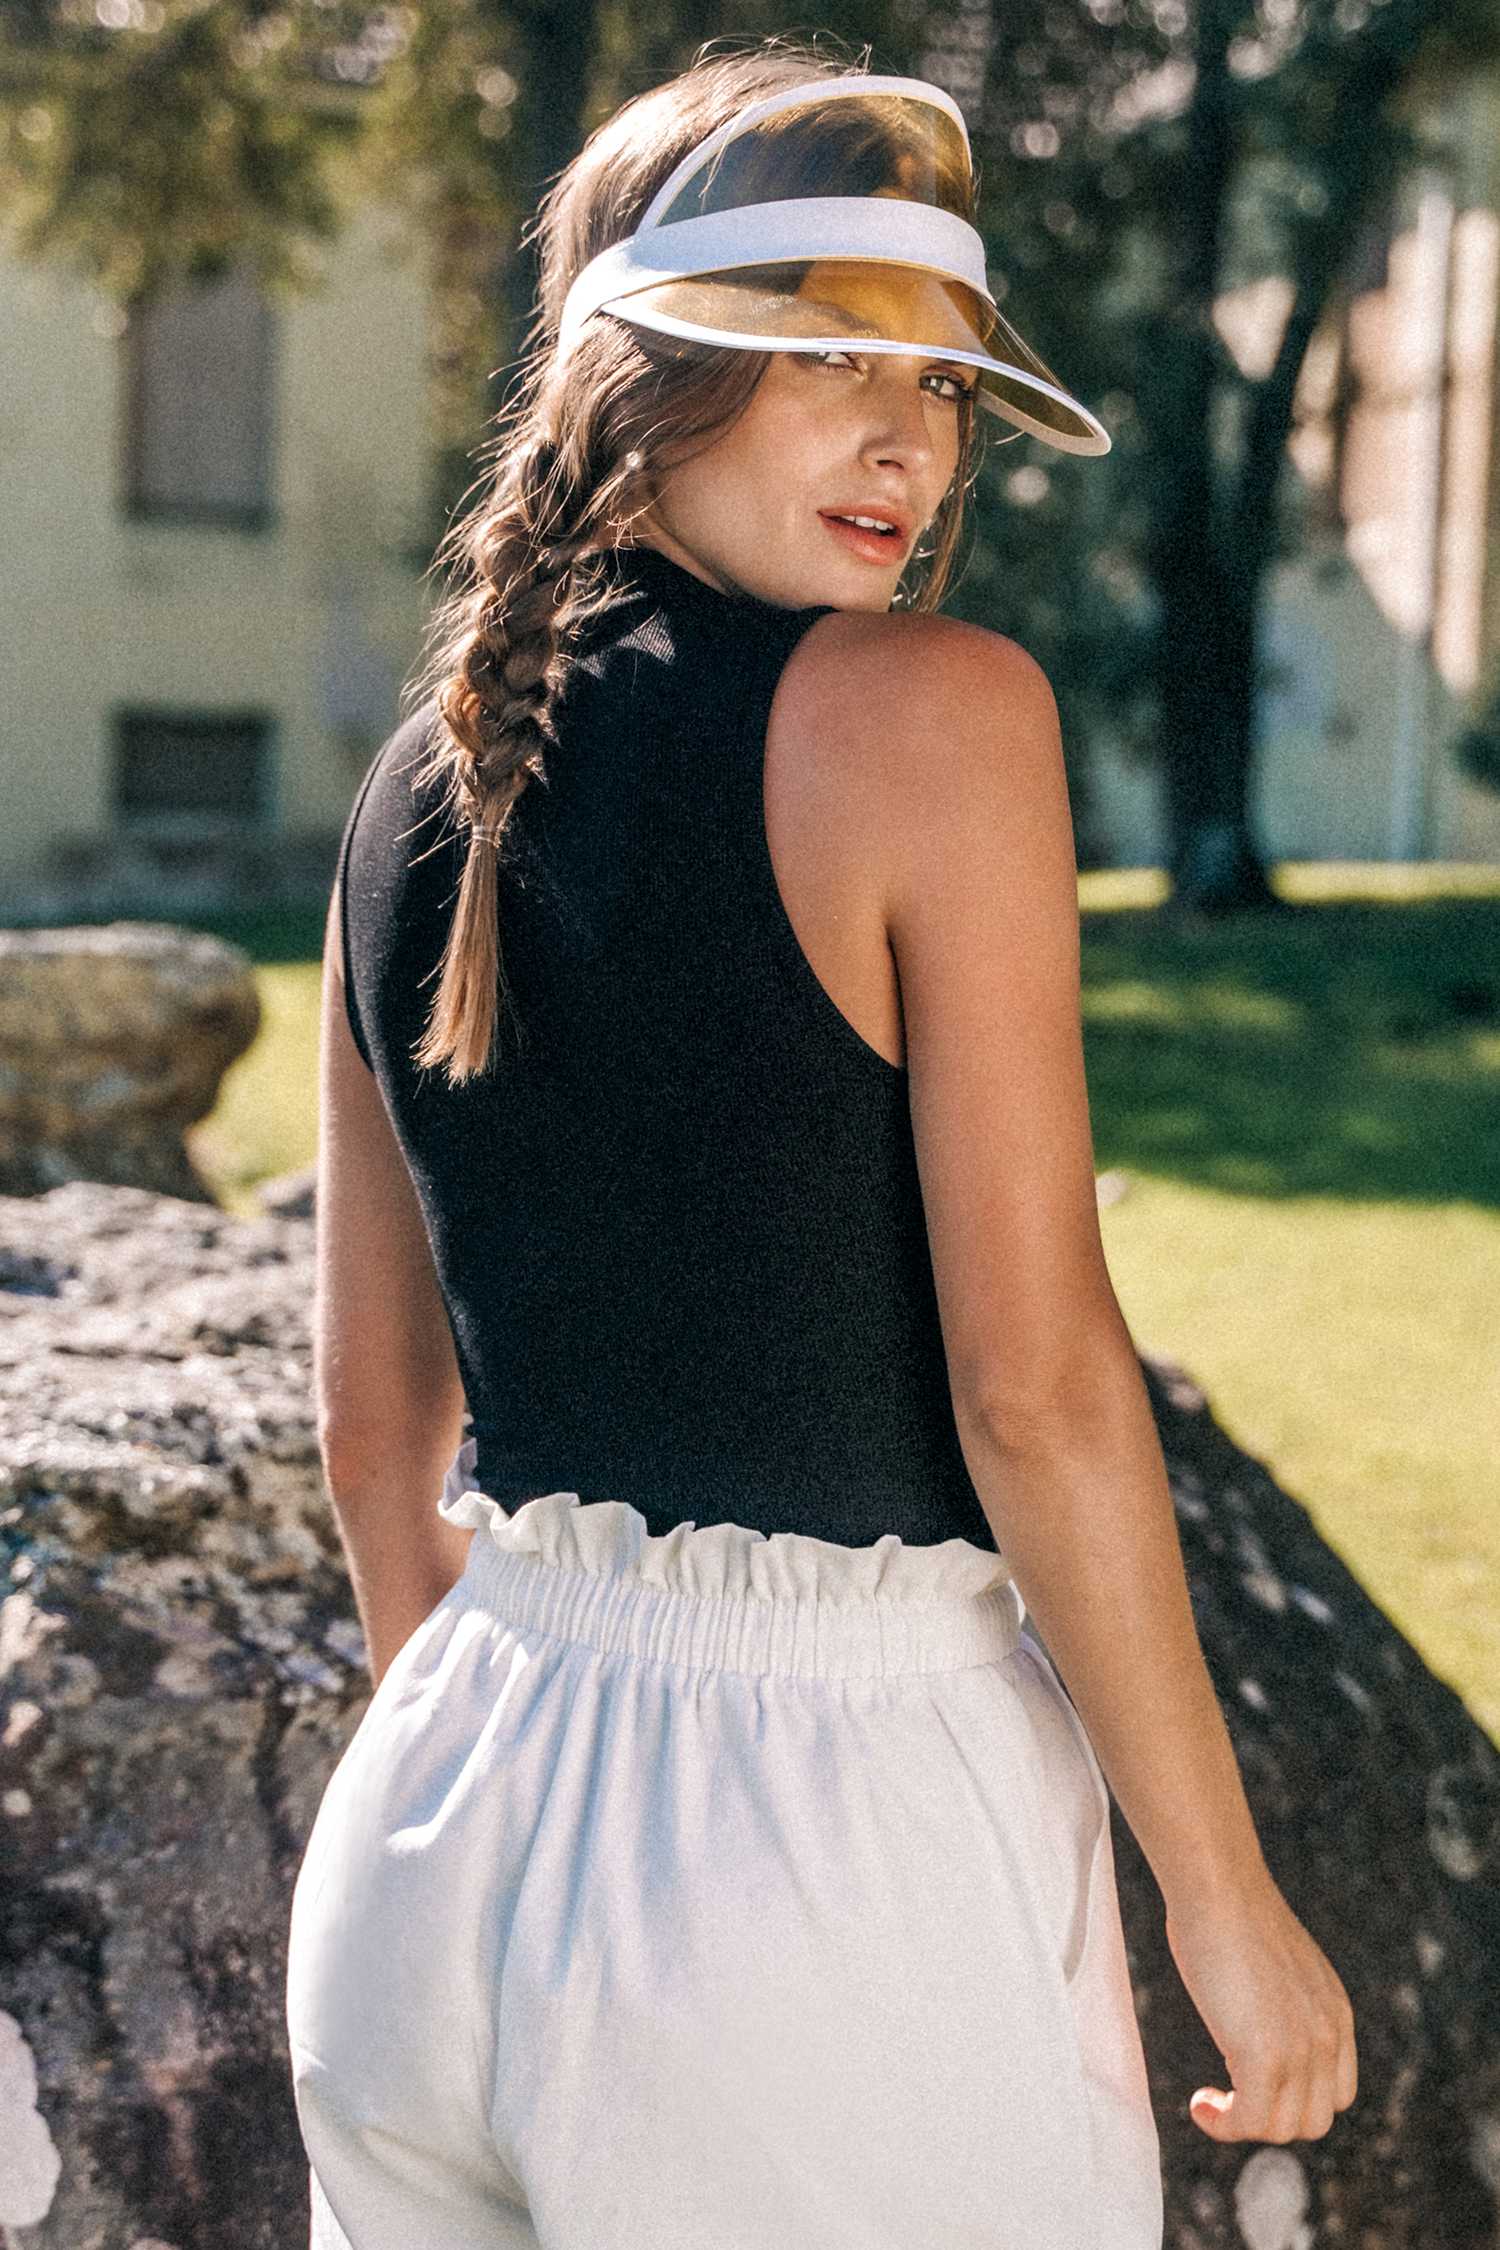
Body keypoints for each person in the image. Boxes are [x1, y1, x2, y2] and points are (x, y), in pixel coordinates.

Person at [286, 46, 1356, 2250]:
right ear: (644, 375)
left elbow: (378, 1431)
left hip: (433, 1817)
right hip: (817, 1870)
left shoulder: (418, 780)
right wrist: (1223, 1895)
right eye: (826, 355)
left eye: (942, 380)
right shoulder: (934, 716)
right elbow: (1034, 1387)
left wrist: (518, 1828)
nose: (910, 439)